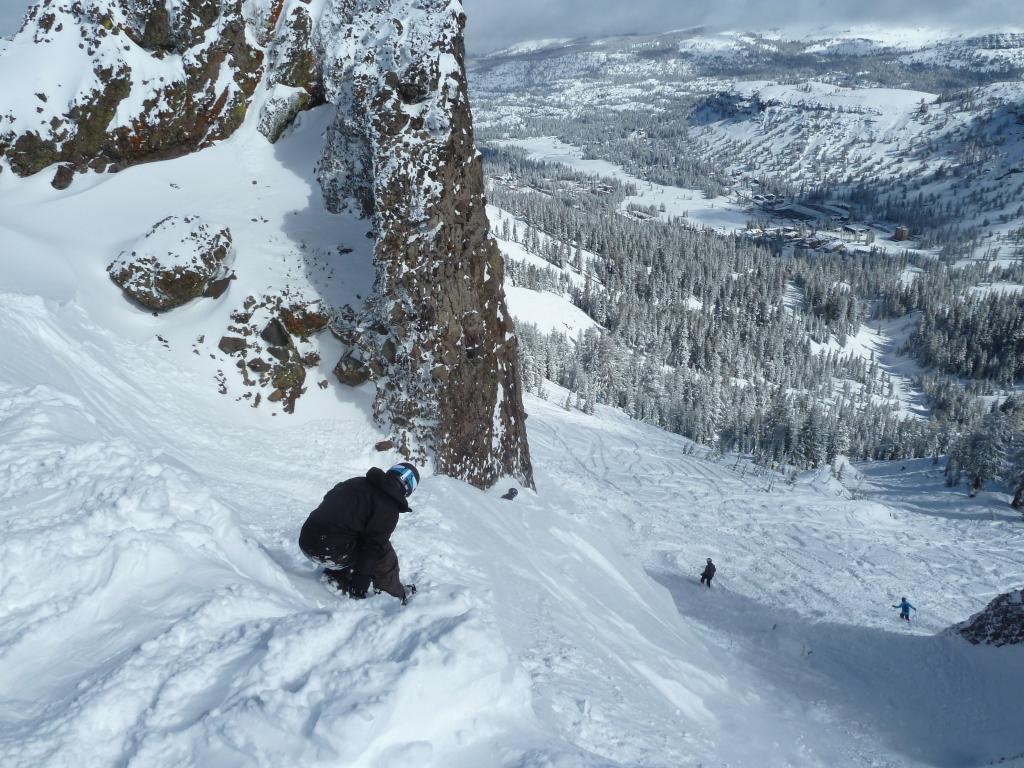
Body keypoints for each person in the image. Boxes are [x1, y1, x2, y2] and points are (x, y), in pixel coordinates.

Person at [299, 462, 419, 604]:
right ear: (409, 490)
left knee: (352, 532)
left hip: (306, 540)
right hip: (329, 551)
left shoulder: (357, 481)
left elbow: (329, 498)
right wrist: (361, 579)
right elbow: (373, 547)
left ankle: (337, 576)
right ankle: (391, 596)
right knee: (383, 550)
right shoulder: (389, 508)